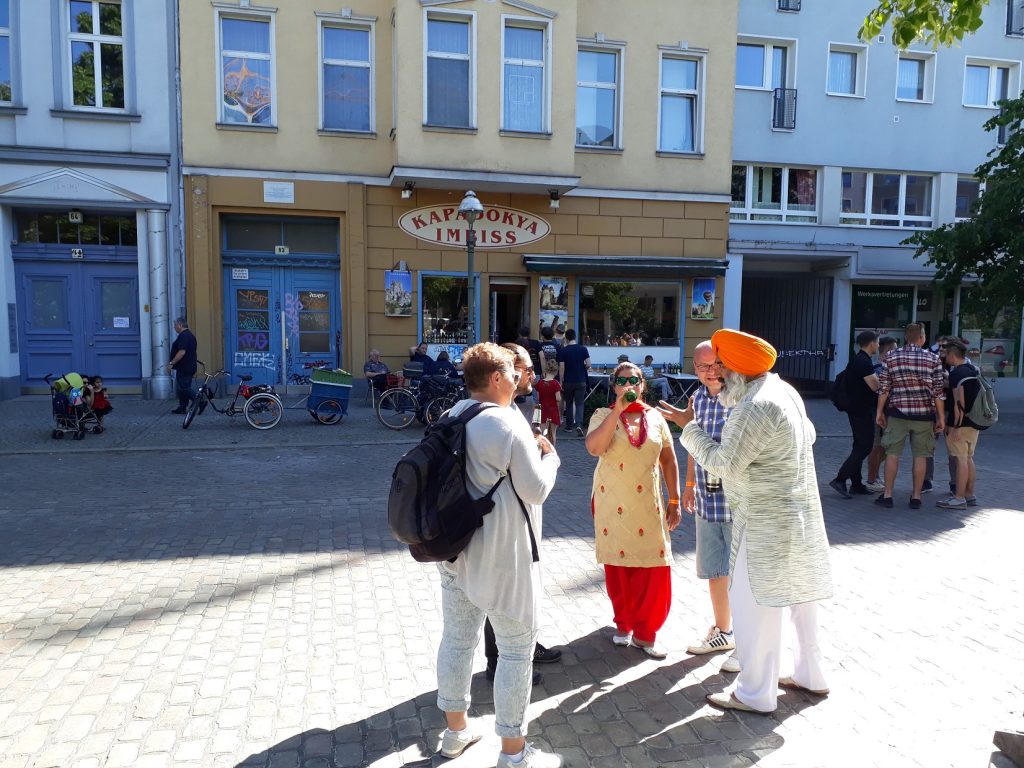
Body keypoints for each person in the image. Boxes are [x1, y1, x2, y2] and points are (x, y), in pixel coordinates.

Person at [659, 328, 832, 715]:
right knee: (800, 601)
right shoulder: (784, 390)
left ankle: (755, 694)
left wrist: (689, 427)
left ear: (739, 369)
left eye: (722, 366)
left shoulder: (754, 405)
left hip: (764, 523)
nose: (717, 374)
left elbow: (723, 463)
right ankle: (811, 675)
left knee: (755, 606)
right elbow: (809, 435)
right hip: (798, 515)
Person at [433, 342, 562, 768]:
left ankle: (455, 732)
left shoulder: (451, 414)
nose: (518, 378)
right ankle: (513, 752)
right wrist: (552, 459)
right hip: (504, 556)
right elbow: (535, 490)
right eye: (512, 372)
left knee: (457, 640)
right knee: (515, 651)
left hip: (455, 549)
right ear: (495, 378)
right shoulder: (507, 422)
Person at [584, 361, 682, 659]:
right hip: (611, 501)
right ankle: (624, 623)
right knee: (619, 565)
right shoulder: (602, 414)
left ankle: (646, 632)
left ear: (643, 385)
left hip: (648, 502)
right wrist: (617, 410)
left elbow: (669, 459)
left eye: (634, 380)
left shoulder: (656, 418)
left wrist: (675, 500)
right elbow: (594, 448)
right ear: (614, 386)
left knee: (653, 567)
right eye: (622, 380)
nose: (628, 385)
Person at [481, 343, 562, 685]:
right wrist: (550, 458)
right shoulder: (501, 414)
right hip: (507, 522)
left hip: (518, 518)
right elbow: (533, 487)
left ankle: (525, 646)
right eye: (527, 370)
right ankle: (500, 661)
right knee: (503, 595)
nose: (532, 375)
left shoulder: (513, 408)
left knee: (519, 590)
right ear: (508, 372)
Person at [683, 342, 739, 673]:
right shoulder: (698, 398)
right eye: (703, 366)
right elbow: (694, 443)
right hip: (707, 497)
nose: (711, 371)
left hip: (738, 500)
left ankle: (747, 641)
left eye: (717, 364)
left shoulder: (741, 396)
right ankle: (723, 631)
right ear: (695, 368)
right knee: (715, 569)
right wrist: (689, 485)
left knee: (741, 572)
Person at [874, 323, 945, 510]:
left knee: (892, 453)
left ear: (906, 337)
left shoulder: (891, 356)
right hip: (924, 415)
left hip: (897, 413)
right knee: (921, 456)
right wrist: (941, 417)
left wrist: (879, 412)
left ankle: (888, 495)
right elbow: (938, 392)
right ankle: (916, 496)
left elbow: (884, 388)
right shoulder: (933, 359)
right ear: (922, 338)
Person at [828, 331, 880, 498]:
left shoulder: (858, 359)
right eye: (877, 343)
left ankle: (856, 484)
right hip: (861, 410)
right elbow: (875, 386)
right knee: (865, 446)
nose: (878, 346)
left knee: (859, 446)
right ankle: (840, 479)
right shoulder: (863, 362)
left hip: (857, 408)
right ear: (871, 343)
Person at [937, 340, 981, 510]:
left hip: (960, 424)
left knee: (960, 460)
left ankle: (959, 498)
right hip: (974, 422)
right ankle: (969, 495)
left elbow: (959, 403)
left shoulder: (956, 374)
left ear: (952, 355)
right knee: (969, 458)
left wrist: (956, 426)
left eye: (946, 354)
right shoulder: (972, 370)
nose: (945, 357)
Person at [865, 335, 898, 492]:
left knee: (882, 447)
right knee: (877, 446)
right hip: (879, 414)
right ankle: (871, 479)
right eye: (895, 350)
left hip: (885, 413)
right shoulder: (879, 369)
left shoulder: (885, 368)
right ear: (887, 352)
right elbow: (881, 392)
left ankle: (875, 477)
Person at [557, 329, 590, 436]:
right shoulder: (583, 349)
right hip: (581, 380)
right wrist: (582, 368)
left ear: (566, 338)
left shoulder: (563, 351)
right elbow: (588, 364)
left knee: (569, 403)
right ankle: (579, 424)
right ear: (575, 337)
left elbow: (562, 367)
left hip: (568, 381)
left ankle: (569, 427)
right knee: (580, 403)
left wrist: (561, 381)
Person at [167, 317, 198, 414]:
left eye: (175, 325)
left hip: (185, 367)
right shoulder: (189, 335)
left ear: (180, 325)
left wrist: (171, 363)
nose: (174, 327)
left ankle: (199, 400)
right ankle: (182, 407)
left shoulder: (184, 336)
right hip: (188, 366)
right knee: (183, 388)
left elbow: (181, 352)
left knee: (183, 388)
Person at [534, 360, 562, 446]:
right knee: (552, 432)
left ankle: (542, 449)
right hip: (553, 410)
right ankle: (552, 449)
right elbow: (558, 398)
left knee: (543, 431)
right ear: (556, 372)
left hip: (542, 410)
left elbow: (538, 398)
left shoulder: (540, 383)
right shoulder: (555, 383)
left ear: (545, 370)